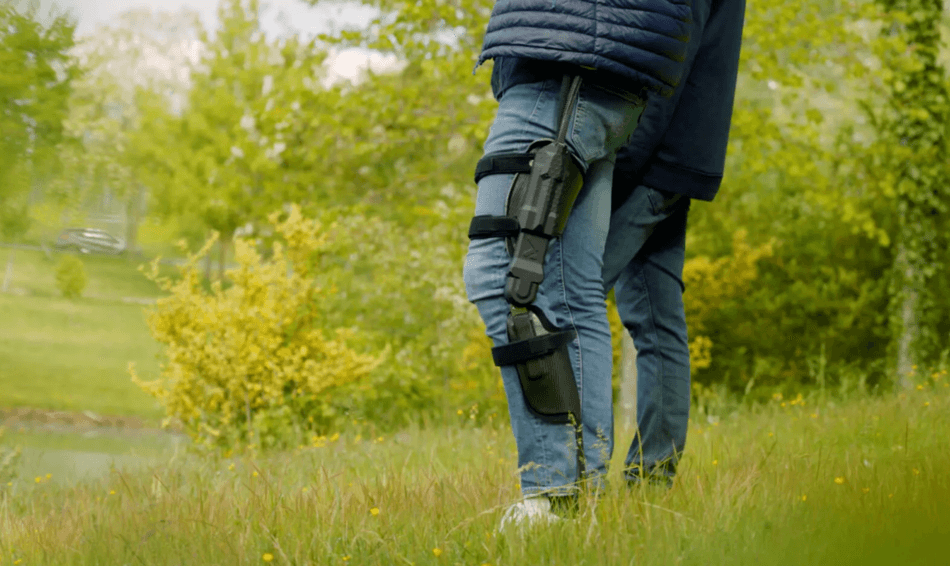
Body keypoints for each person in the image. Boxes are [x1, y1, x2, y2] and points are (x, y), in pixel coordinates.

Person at [463, 0, 747, 529]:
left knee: (510, 275)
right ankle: (581, 500)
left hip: (574, 55)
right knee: (575, 292)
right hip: (603, 68)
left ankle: (555, 494)